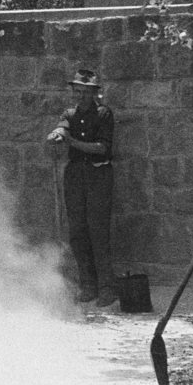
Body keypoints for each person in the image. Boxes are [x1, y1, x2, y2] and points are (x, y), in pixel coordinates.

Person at [47, 69, 117, 306]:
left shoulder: (104, 114)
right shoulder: (69, 113)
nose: (82, 96)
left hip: (99, 174)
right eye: (78, 91)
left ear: (95, 93)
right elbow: (62, 127)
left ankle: (107, 287)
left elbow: (102, 148)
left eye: (87, 92)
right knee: (78, 232)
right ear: (73, 92)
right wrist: (56, 134)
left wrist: (73, 143)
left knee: (98, 231)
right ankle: (88, 285)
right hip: (75, 175)